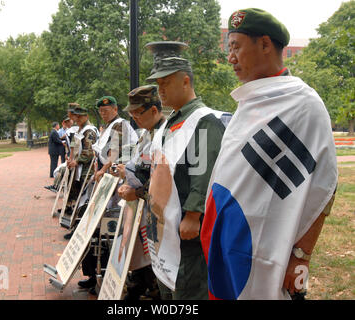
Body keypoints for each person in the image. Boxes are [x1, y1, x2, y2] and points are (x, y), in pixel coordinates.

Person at [200, 8, 338, 300]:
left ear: (264, 44)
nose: (230, 57)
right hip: (226, 249)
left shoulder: (303, 104)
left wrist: (301, 256)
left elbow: (326, 187)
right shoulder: (247, 103)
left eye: (235, 46)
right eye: (229, 48)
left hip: (267, 255)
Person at [144, 41, 230, 300]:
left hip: (186, 231)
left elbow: (204, 171)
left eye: (165, 83)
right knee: (168, 289)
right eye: (157, 85)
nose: (160, 91)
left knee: (187, 290)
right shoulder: (171, 121)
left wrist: (194, 213)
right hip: (164, 231)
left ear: (185, 81)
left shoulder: (204, 119)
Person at [77, 95, 138, 294]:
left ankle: (102, 276)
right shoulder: (108, 127)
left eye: (107, 110)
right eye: (101, 111)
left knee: (105, 231)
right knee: (95, 227)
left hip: (116, 183)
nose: (103, 113)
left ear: (115, 109)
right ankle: (92, 275)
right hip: (106, 183)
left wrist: (103, 169)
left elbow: (114, 153)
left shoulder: (119, 125)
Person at [110, 85, 166, 300]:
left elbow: (164, 177)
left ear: (153, 110)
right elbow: (139, 164)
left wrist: (138, 192)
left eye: (137, 113)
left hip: (158, 211)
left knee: (156, 259)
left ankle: (151, 289)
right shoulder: (146, 134)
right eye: (131, 114)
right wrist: (125, 175)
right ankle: (141, 286)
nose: (134, 118)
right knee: (143, 252)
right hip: (143, 207)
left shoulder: (166, 134)